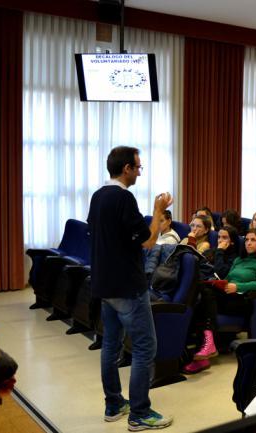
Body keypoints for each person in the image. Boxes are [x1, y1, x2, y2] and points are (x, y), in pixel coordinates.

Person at [87, 146, 173, 429]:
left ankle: (113, 404)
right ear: (126, 169)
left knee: (111, 345)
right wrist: (158, 210)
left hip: (104, 285)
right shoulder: (124, 198)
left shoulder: (98, 196)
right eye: (138, 167)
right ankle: (139, 413)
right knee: (145, 347)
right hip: (127, 287)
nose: (139, 172)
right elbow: (148, 242)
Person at [185, 228, 256, 373]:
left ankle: (205, 349)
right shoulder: (239, 259)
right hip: (227, 296)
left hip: (242, 300)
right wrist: (221, 284)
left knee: (205, 296)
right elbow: (228, 278)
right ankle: (204, 350)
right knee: (201, 299)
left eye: (253, 240)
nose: (248, 243)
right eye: (247, 240)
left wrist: (238, 286)